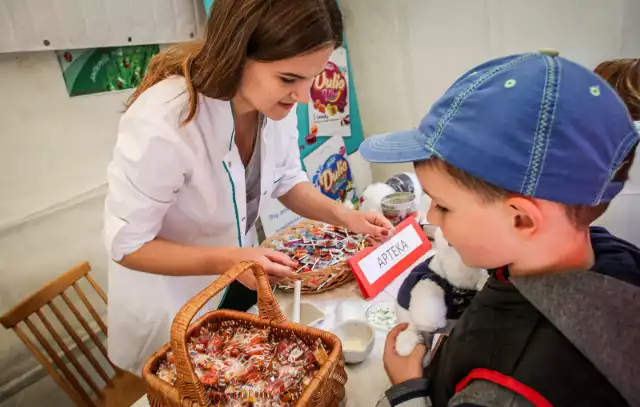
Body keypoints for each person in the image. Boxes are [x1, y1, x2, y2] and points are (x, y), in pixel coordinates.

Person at [104, 0, 392, 375]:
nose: (303, 97)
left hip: (227, 285)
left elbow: (288, 180)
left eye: (312, 78)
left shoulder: (273, 108)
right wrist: (229, 259)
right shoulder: (164, 120)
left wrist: (346, 216)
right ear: (235, 52)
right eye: (289, 79)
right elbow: (127, 246)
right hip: (168, 302)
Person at [360, 52, 640, 406]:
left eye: (444, 205)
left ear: (522, 219)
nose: (431, 217)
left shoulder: (504, 391)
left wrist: (408, 390)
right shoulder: (609, 252)